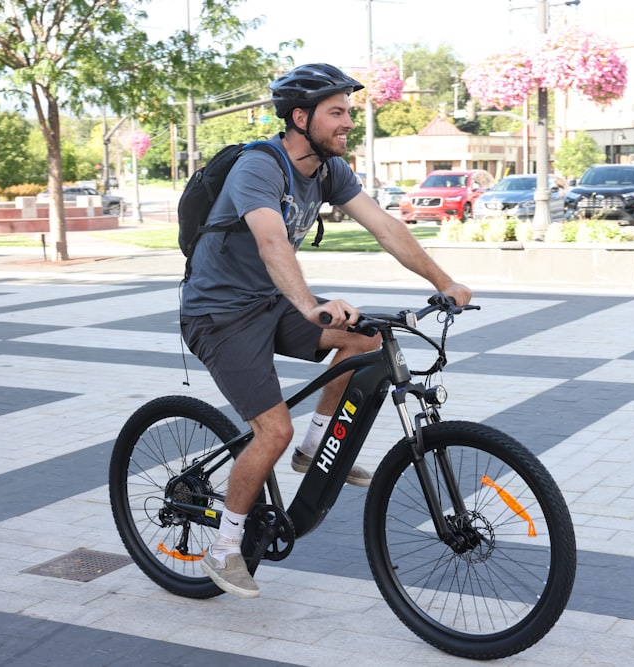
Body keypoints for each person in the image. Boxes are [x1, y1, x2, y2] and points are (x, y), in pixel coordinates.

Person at [179, 63, 472, 599]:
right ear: (299, 117)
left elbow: (385, 226)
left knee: (366, 338)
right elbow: (272, 243)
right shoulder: (258, 168)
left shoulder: (330, 170)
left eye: (348, 113)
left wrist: (445, 280)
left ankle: (315, 444)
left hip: (269, 302)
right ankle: (224, 550)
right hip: (219, 314)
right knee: (272, 430)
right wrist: (312, 306)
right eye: (336, 113)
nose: (346, 123)